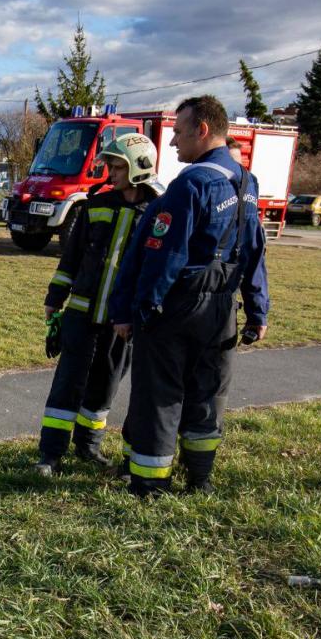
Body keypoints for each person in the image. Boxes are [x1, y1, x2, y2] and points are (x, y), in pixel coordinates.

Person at [108, 95, 269, 496]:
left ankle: (149, 481)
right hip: (221, 309)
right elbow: (254, 251)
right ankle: (200, 476)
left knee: (159, 392)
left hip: (179, 305)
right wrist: (257, 309)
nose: (174, 142)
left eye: (179, 132)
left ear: (202, 130)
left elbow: (164, 255)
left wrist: (141, 308)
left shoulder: (191, 185)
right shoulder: (248, 184)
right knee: (208, 391)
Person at [35, 132, 163, 474]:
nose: (110, 170)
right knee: (67, 383)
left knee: (106, 384)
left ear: (138, 167)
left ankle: (88, 447)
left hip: (122, 321)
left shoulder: (157, 213)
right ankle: (50, 454)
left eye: (116, 165)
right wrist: (54, 299)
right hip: (81, 313)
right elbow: (71, 258)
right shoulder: (97, 205)